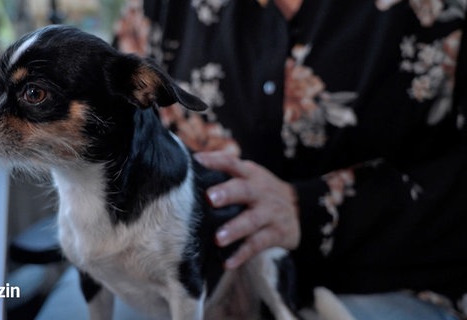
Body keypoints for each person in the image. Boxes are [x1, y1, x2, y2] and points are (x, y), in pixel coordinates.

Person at [114, 0, 467, 318]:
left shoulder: (440, 13)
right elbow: (111, 134)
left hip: (386, 281)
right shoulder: (155, 9)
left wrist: (307, 208)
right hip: (179, 280)